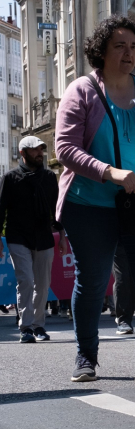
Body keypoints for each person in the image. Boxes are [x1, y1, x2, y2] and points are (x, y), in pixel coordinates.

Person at [56, 15, 135, 383]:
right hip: (89, 203)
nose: (129, 53)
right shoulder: (81, 91)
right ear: (102, 51)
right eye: (119, 46)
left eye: (134, 46)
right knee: (93, 281)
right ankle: (86, 356)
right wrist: (110, 172)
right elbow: (64, 148)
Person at [0, 136, 69, 343]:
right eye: (34, 150)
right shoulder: (10, 178)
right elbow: (0, 209)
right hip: (17, 237)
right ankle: (26, 327)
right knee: (26, 281)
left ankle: (39, 325)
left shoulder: (48, 177)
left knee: (43, 283)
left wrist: (63, 236)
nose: (39, 153)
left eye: (41, 149)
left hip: (44, 237)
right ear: (23, 153)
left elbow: (57, 209)